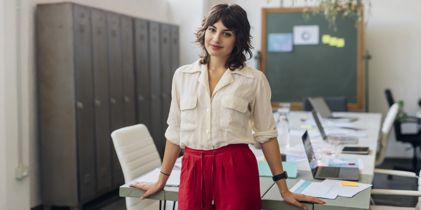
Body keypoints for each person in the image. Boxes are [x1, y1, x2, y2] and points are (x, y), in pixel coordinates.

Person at [130, 4, 325, 210]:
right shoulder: (182, 76)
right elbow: (175, 133)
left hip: (236, 168)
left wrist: (284, 189)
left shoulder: (254, 80)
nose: (216, 39)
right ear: (204, 31)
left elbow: (266, 135)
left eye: (227, 33)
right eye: (212, 30)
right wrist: (161, 179)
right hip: (193, 168)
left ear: (237, 39)